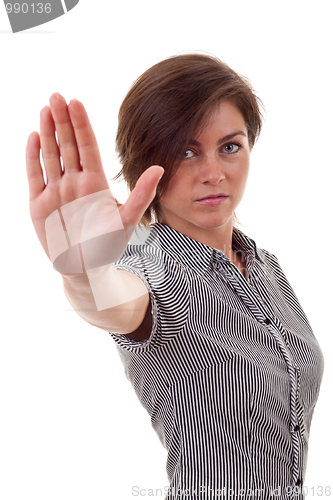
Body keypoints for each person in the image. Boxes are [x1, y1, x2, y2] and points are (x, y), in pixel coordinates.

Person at [26, 53, 324, 500]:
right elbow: (116, 302)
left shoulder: (266, 268)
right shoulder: (154, 270)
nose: (213, 173)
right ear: (144, 163)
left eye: (230, 146)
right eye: (185, 151)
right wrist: (85, 275)